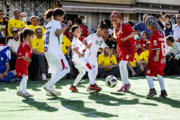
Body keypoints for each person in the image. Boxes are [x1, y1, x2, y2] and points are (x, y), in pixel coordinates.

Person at [43, 8, 72, 96]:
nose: (62, 19)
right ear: (58, 16)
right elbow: (57, 33)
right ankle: (49, 85)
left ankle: (50, 90)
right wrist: (66, 26)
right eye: (62, 17)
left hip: (47, 50)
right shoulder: (56, 23)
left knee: (55, 70)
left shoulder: (49, 23)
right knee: (66, 68)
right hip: (55, 50)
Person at [111, 11, 137, 92]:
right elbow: (118, 39)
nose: (114, 22)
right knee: (121, 66)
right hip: (122, 49)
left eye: (116, 20)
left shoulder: (126, 25)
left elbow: (135, 33)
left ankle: (127, 83)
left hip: (128, 48)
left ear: (120, 18)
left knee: (122, 64)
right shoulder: (116, 26)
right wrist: (118, 47)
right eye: (113, 20)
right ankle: (124, 83)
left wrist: (126, 38)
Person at [145, 16, 167, 99]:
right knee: (159, 73)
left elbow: (156, 44)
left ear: (151, 24)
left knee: (148, 73)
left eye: (147, 24)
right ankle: (163, 91)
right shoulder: (161, 32)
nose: (146, 26)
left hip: (156, 57)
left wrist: (156, 55)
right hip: (163, 57)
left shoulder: (153, 32)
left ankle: (152, 89)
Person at [16, 28, 34, 97]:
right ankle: (24, 92)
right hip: (21, 63)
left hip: (25, 63)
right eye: (32, 36)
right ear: (28, 36)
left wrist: (31, 48)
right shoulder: (23, 44)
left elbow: (30, 53)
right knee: (25, 76)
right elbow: (19, 53)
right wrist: (25, 58)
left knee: (25, 77)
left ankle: (19, 91)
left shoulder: (27, 44)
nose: (33, 38)